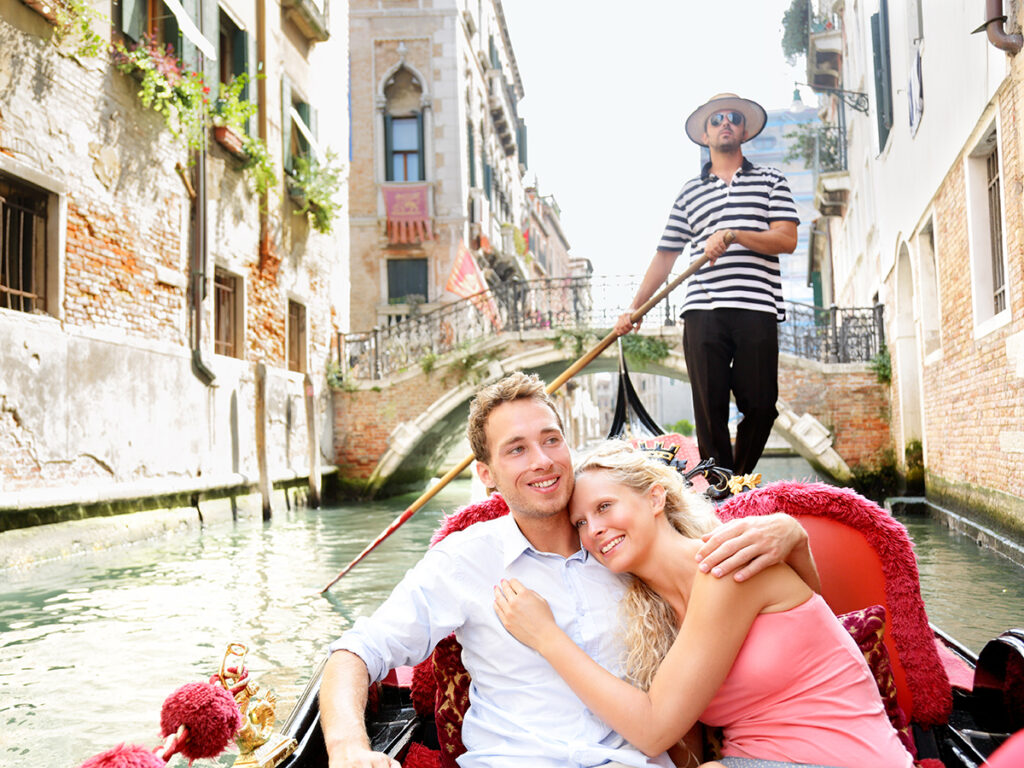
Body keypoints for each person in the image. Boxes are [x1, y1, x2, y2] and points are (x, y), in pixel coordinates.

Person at [320, 372, 818, 768]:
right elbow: (356, 652)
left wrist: (793, 536)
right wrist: (346, 747)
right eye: (517, 449)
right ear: (487, 476)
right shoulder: (463, 559)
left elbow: (793, 621)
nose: (542, 461)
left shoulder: (629, 544)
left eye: (551, 440)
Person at [494, 441, 914, 768]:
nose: (595, 530)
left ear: (656, 499)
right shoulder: (655, 615)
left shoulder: (725, 566)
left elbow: (653, 728)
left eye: (605, 507)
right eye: (580, 523)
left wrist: (546, 637)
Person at [614, 93, 800, 476]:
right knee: (709, 407)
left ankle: (739, 479)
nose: (725, 123)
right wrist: (634, 309)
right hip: (702, 310)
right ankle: (720, 485)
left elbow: (786, 238)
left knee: (762, 405)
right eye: (716, 120)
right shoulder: (688, 193)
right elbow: (665, 256)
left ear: (744, 129)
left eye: (732, 117)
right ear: (705, 133)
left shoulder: (771, 181)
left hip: (757, 306)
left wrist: (734, 234)